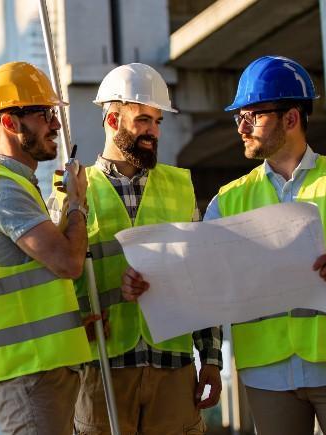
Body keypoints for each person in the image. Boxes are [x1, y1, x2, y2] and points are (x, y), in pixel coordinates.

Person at [201, 55, 326, 435]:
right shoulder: (227, 200)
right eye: (238, 116)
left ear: (290, 118)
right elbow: (204, 277)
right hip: (266, 373)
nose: (241, 127)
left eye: (252, 115)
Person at [51, 63, 222, 435]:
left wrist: (210, 358)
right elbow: (56, 283)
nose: (154, 132)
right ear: (112, 119)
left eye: (158, 122)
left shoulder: (180, 187)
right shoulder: (72, 191)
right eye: (143, 120)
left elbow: (201, 275)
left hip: (173, 367)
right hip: (102, 370)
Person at [0, 61, 94, 435]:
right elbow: (67, 262)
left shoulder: (19, 186)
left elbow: (33, 284)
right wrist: (77, 205)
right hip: (28, 373)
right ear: (10, 123)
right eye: (43, 113)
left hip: (38, 369)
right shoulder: (2, 189)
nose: (56, 124)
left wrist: (70, 325)